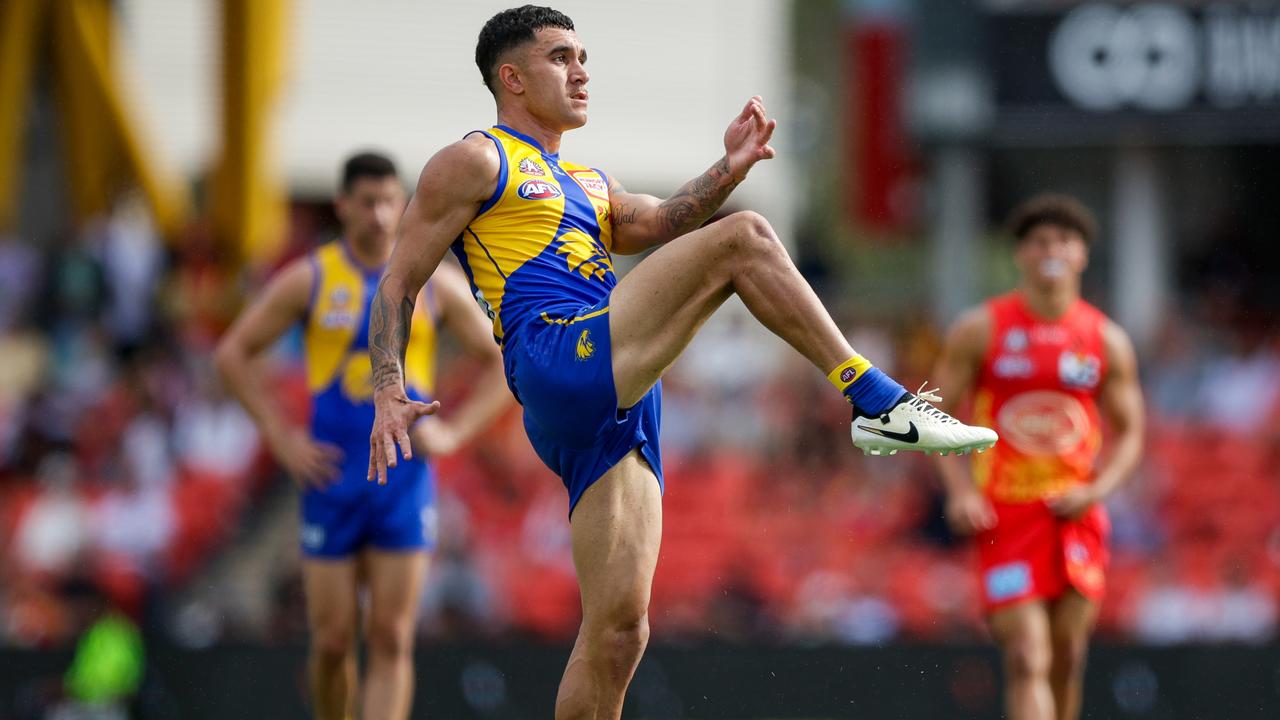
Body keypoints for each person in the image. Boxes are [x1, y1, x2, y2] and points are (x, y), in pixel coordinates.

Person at [366, 7, 996, 718]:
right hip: (561, 356)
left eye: (583, 57)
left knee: (619, 632)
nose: (582, 72)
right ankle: (879, 400)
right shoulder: (477, 159)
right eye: (562, 58)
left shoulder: (587, 179)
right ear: (511, 78)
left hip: (617, 392)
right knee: (748, 238)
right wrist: (387, 387)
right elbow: (399, 280)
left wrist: (726, 169)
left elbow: (662, 222)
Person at [214, 152, 510, 720]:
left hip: (403, 480)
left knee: (393, 637)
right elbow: (232, 355)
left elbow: (501, 364)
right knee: (329, 643)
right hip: (332, 475)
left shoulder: (434, 284)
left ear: (403, 206)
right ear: (343, 205)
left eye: (389, 202)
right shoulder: (313, 278)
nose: (378, 215)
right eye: (367, 202)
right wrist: (281, 437)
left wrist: (454, 434)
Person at [932, 194, 1145, 720]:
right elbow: (929, 418)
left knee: (1067, 658)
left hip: (1074, 515)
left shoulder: (1105, 340)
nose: (1052, 250)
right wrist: (960, 490)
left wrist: (1098, 490)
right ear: (1021, 254)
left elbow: (1132, 432)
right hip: (1005, 514)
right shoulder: (981, 329)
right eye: (1040, 241)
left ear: (1083, 256)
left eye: (1064, 241)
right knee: (1028, 655)